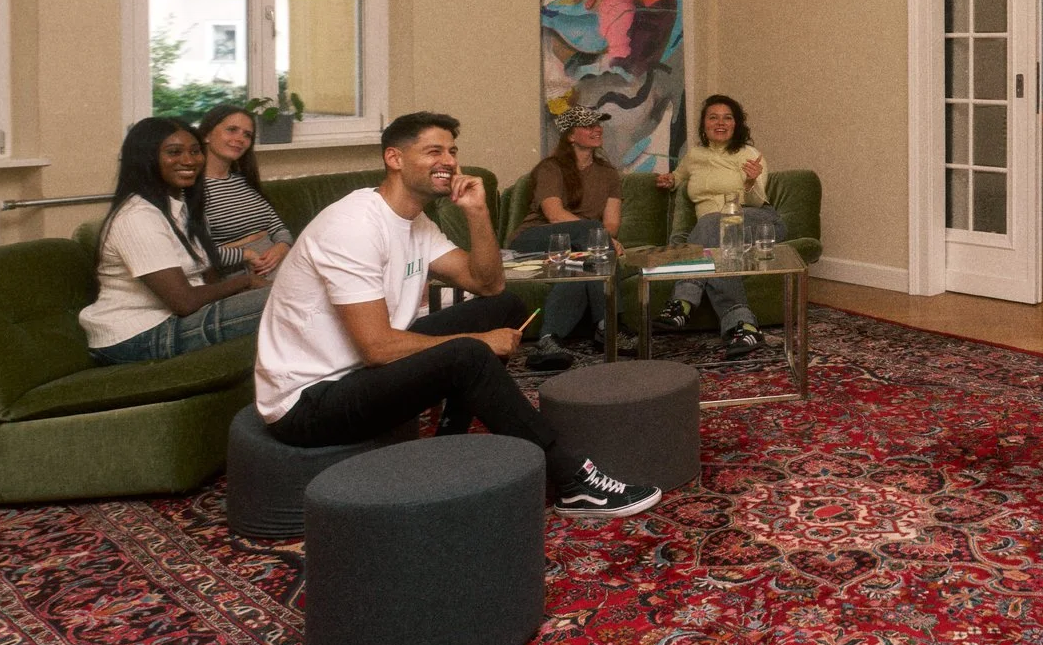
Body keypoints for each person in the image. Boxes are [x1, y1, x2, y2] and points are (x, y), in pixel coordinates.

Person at [253, 110, 659, 518]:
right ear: (394, 158)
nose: (447, 161)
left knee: (504, 309)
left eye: (452, 151)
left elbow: (488, 285)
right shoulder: (354, 225)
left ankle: (450, 433)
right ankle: (574, 483)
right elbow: (376, 347)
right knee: (469, 354)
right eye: (433, 151)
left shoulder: (416, 223)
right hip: (308, 401)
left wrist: (477, 213)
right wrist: (477, 343)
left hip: (356, 371)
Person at [81, 116, 272, 363]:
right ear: (146, 158)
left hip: (178, 319)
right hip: (134, 337)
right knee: (286, 300)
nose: (189, 160)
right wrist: (246, 282)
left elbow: (208, 276)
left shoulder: (182, 208)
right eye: (174, 152)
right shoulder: (136, 216)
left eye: (195, 151)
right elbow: (183, 302)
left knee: (293, 294)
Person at [654, 94, 780, 359]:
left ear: (736, 124)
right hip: (716, 232)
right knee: (714, 249)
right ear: (704, 124)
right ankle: (743, 326)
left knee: (710, 221)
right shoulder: (695, 156)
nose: (720, 123)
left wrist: (750, 182)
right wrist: (669, 180)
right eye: (713, 117)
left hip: (757, 221)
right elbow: (679, 176)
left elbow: (758, 201)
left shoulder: (750, 155)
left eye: (727, 117)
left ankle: (683, 300)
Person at [512, 105, 623, 365]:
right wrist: (598, 236)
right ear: (571, 135)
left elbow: (612, 223)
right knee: (591, 239)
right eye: (588, 125)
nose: (597, 129)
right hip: (535, 239)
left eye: (599, 124)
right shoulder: (551, 168)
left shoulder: (609, 174)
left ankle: (549, 340)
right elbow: (554, 214)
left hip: (579, 247)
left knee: (579, 267)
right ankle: (610, 324)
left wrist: (601, 239)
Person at [194, 102, 292, 275]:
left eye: (247, 135)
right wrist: (245, 254)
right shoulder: (192, 188)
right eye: (232, 130)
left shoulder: (244, 181)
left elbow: (279, 228)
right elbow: (197, 252)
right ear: (206, 135)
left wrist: (282, 247)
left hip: (282, 262)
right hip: (241, 272)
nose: (240, 139)